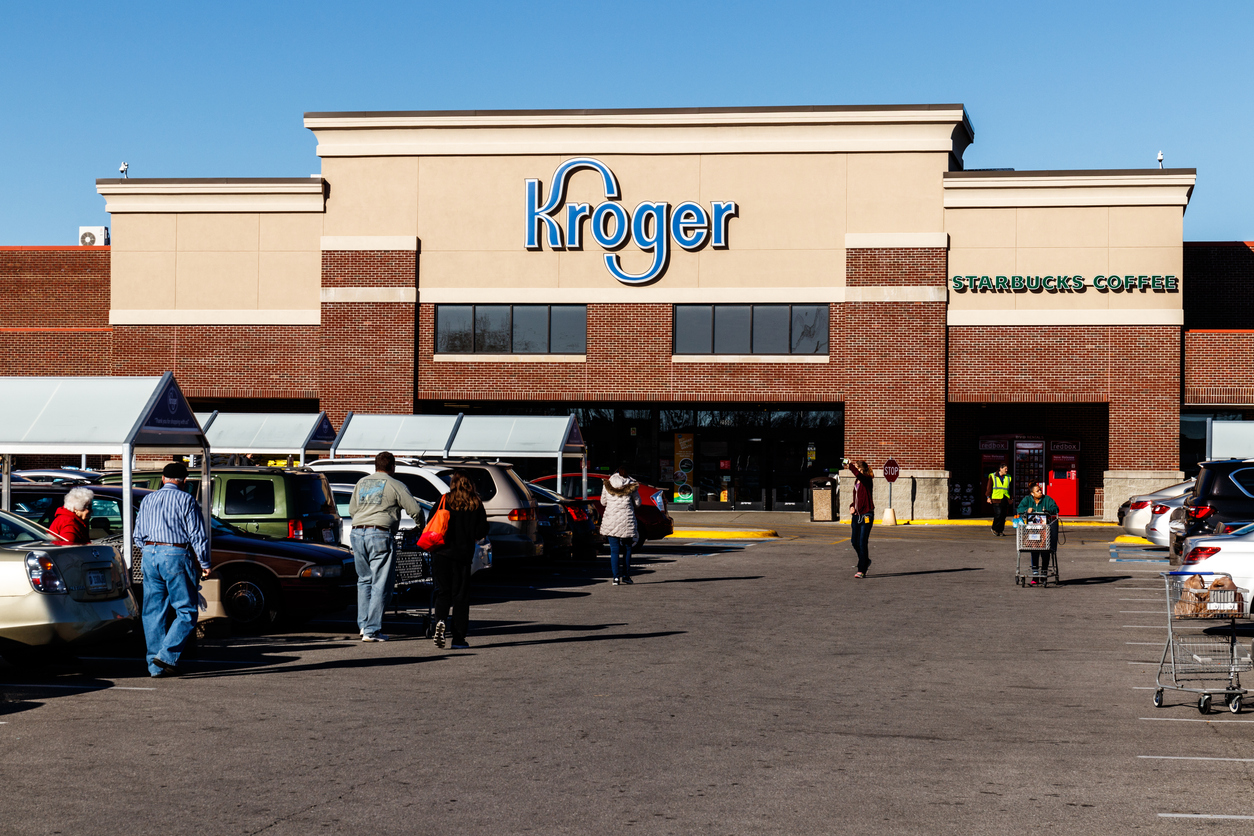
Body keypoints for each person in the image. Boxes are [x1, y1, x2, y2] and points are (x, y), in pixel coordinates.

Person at [132, 462, 210, 678]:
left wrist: (151, 550)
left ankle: (155, 666)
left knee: (153, 612)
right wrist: (205, 563)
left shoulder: (148, 499)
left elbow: (138, 535)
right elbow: (197, 534)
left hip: (149, 554)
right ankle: (166, 656)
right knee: (186, 610)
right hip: (175, 553)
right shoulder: (186, 499)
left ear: (163, 479)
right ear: (184, 481)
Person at [348, 451, 424, 642]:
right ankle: (372, 630)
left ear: (376, 466)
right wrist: (420, 526)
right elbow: (415, 509)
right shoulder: (395, 484)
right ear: (392, 467)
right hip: (380, 533)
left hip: (357, 532)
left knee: (364, 580)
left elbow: (352, 510)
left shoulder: (361, 483)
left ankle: (363, 625)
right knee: (381, 584)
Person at [430, 471, 488, 650]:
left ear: (453, 483)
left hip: (441, 553)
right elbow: (481, 531)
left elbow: (430, 521)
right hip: (462, 556)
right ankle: (458, 638)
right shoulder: (475, 503)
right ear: (470, 484)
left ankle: (440, 622)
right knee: (461, 597)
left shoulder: (443, 500)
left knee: (443, 592)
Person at [600, 467, 640, 585]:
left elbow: (603, 502)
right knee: (627, 549)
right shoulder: (631, 484)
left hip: (611, 520)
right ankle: (626, 576)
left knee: (614, 550)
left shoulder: (608, 484)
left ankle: (615, 578)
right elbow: (638, 503)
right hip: (626, 520)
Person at [1016, 483, 1060, 585]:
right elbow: (1019, 509)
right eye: (1038, 491)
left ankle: (1044, 573)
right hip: (1032, 531)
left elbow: (1056, 508)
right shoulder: (1027, 500)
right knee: (1034, 550)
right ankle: (1035, 574)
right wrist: (1026, 510)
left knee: (1045, 551)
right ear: (1032, 493)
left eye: (1040, 490)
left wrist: (1048, 511)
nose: (1040, 492)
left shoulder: (1047, 499)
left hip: (1045, 531)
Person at [846, 458, 875, 578]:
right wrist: (851, 506)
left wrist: (850, 465)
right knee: (854, 541)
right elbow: (857, 499)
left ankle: (861, 569)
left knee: (862, 542)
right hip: (856, 515)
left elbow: (858, 474)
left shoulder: (867, 479)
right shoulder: (857, 481)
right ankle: (865, 560)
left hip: (866, 514)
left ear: (861, 469)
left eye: (857, 468)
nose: (855, 471)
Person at [986, 464, 1013, 537]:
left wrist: (1011, 498)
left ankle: (1000, 530)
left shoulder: (1008, 477)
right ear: (1000, 469)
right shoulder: (993, 476)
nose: (1006, 470)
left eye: (1007, 469)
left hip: (1005, 498)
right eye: (1005, 469)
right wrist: (988, 497)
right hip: (996, 498)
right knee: (998, 514)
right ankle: (994, 528)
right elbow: (989, 487)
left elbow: (1010, 488)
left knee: (1003, 515)